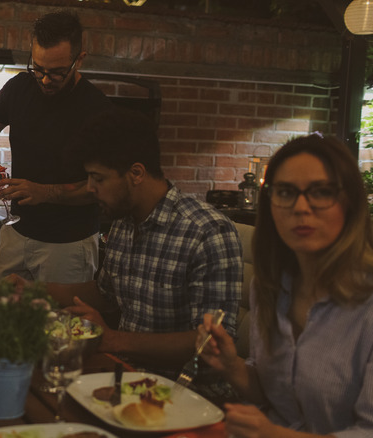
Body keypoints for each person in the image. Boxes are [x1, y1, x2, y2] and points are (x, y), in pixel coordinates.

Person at [21, 109, 242, 394]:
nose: (90, 188)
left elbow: (210, 343)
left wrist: (111, 339)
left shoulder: (206, 231)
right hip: (125, 377)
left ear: (136, 173)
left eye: (97, 179)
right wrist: (31, 291)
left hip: (186, 393)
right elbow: (106, 294)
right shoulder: (124, 221)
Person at [198, 134, 373, 437]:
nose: (301, 207)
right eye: (285, 192)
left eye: (320, 192)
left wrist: (273, 435)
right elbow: (276, 397)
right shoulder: (269, 285)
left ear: (350, 203)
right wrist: (231, 366)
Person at [0, 10, 113, 284]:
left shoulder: (97, 110)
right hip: (16, 232)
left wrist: (46, 192)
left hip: (70, 244)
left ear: (79, 60)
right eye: (38, 68)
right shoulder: (19, 87)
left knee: (57, 324)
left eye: (57, 73)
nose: (45, 80)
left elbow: (103, 187)